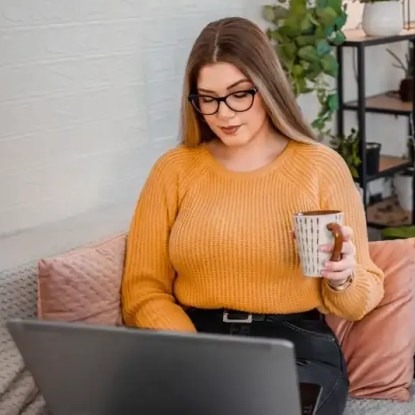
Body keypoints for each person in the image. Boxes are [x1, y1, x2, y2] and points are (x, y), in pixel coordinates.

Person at [121, 16, 385, 415]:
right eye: (207, 98)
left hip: (293, 344)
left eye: (238, 94)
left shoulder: (320, 166)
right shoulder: (173, 170)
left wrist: (344, 277)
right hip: (194, 337)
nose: (223, 114)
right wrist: (191, 350)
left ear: (267, 87)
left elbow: (360, 300)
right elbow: (141, 289)